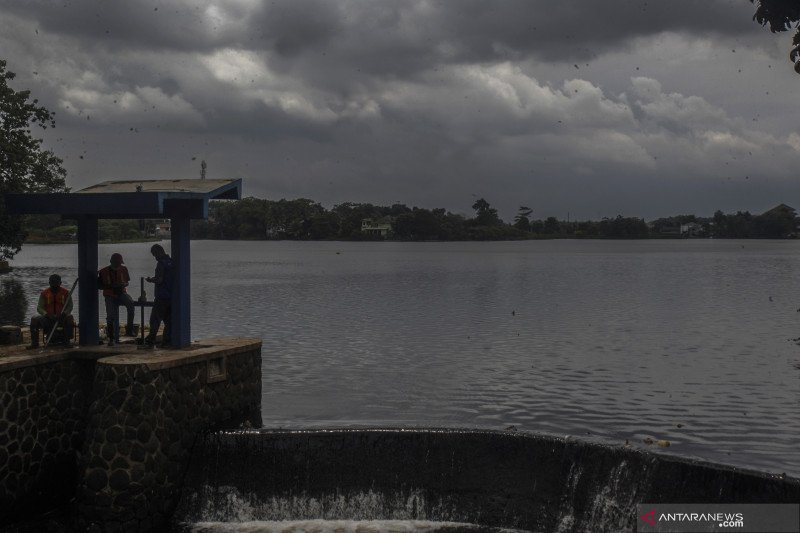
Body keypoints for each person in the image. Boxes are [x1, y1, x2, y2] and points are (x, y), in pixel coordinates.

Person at [98, 252, 135, 346]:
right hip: (109, 295)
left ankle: (129, 330)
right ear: (111, 261)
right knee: (110, 316)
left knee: (131, 304)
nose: (119, 265)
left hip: (122, 293)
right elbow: (99, 286)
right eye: (117, 263)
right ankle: (111, 338)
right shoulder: (103, 271)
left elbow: (127, 282)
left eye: (120, 263)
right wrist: (110, 286)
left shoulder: (124, 269)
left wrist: (122, 285)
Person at [29, 274, 74, 348]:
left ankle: (67, 341)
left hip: (61, 317)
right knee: (34, 320)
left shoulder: (66, 293)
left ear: (60, 283)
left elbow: (70, 306)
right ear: (49, 283)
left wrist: (64, 314)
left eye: (57, 284)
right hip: (48, 317)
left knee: (69, 318)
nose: (55, 287)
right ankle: (34, 343)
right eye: (53, 284)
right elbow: (39, 307)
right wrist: (46, 315)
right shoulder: (44, 293)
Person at [144, 244, 174, 347]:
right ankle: (167, 342)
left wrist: (151, 280)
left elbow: (159, 280)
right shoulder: (172, 262)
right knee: (169, 322)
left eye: (154, 254)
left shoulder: (161, 264)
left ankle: (150, 341)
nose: (154, 257)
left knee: (155, 320)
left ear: (158, 252)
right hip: (171, 297)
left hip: (161, 297)